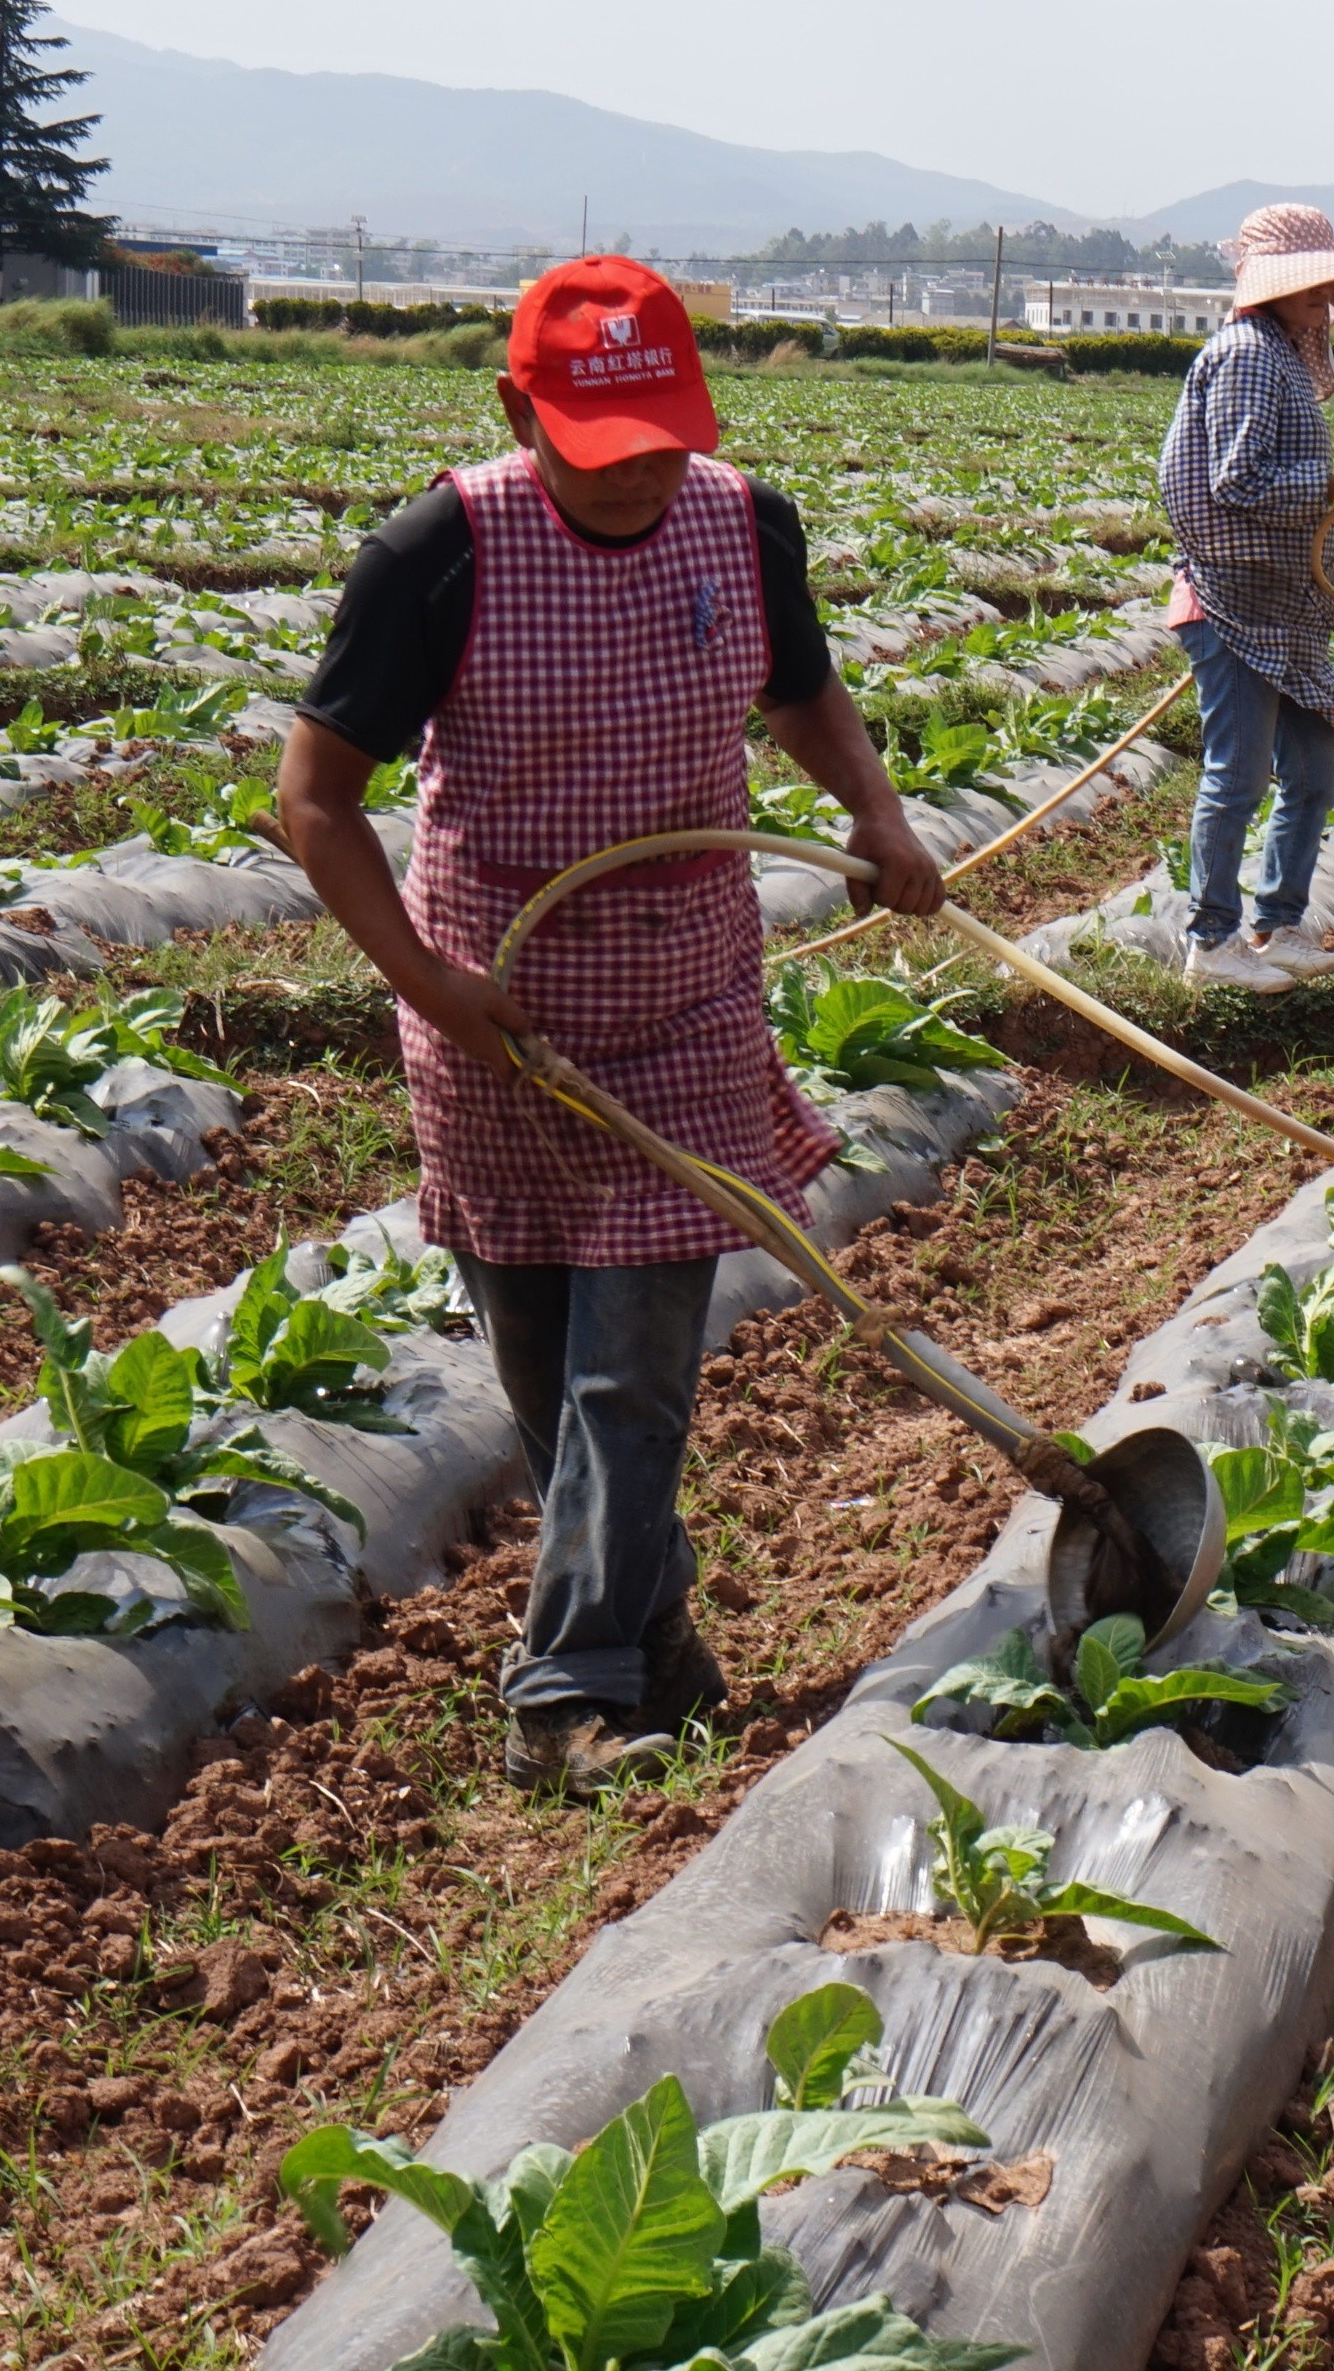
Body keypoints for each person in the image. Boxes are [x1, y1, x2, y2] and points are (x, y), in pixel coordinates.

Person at [275, 256, 945, 1795]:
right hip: (499, 1019)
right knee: (545, 1380)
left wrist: (877, 813)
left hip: (685, 998)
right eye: (603, 445)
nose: (642, 470)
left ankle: (563, 1694)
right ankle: (659, 1643)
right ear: (519, 411)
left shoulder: (742, 522)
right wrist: (429, 982)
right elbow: (316, 801)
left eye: (662, 438)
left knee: (631, 1375)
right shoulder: (440, 552)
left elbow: (801, 691)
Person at [1156, 201, 1334, 992]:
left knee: (1316, 771)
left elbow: (1271, 480)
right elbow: (1238, 480)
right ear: (1268, 285)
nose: (1321, 297)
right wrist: (1331, 487)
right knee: (1237, 775)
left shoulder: (1281, 356)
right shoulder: (1247, 355)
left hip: (1281, 611)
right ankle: (1211, 943)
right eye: (1307, 282)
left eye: (1326, 283)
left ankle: (1278, 924)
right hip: (1231, 604)